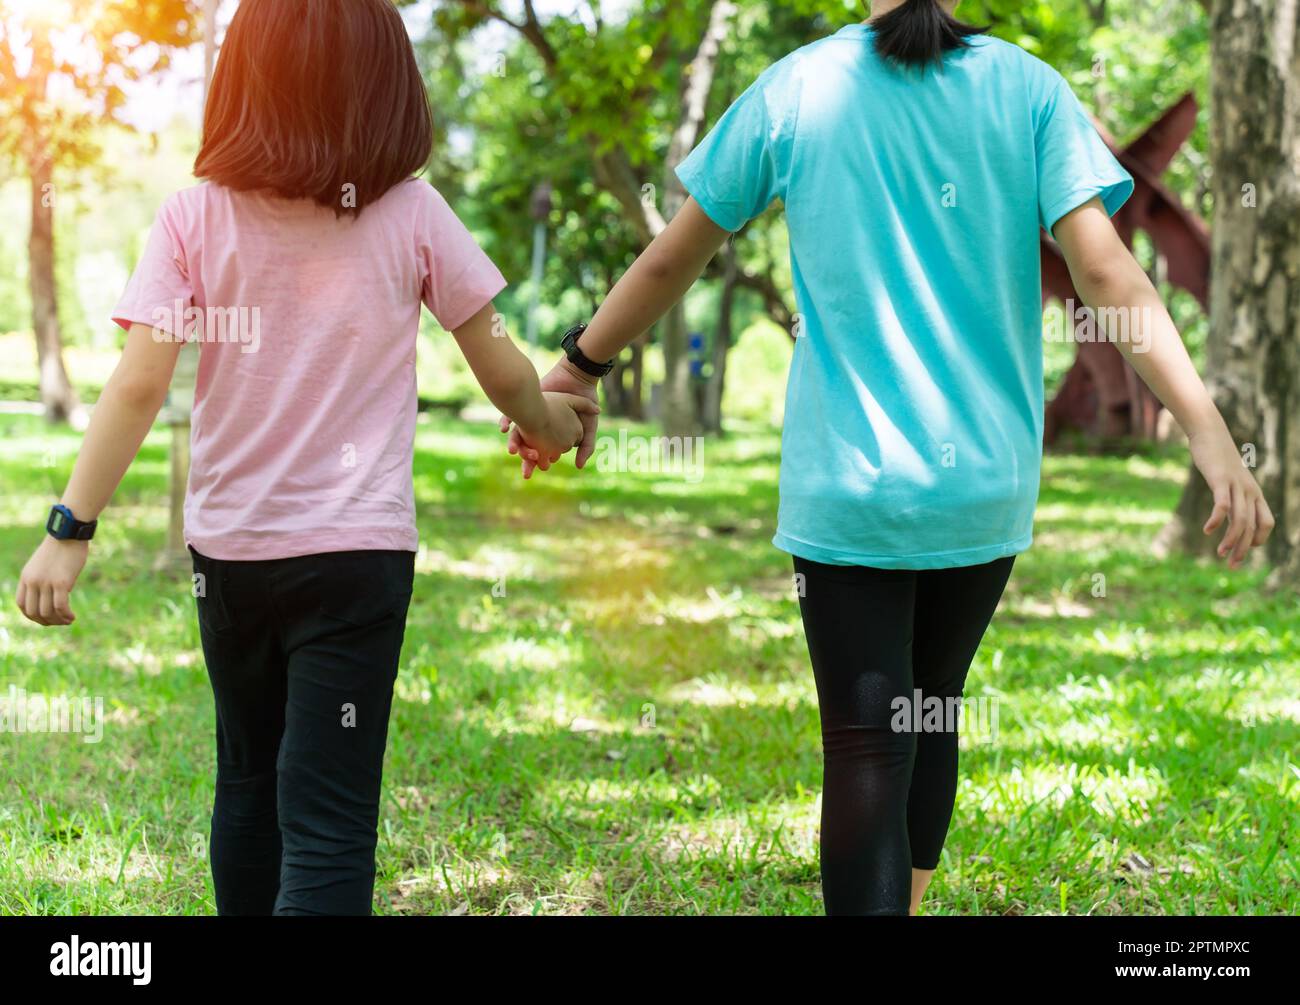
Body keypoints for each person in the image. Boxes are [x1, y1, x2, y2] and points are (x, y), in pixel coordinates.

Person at [504, 0, 1275, 915]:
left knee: (869, 744)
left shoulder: (795, 90)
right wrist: (1206, 426)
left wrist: (576, 366)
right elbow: (1110, 273)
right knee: (933, 706)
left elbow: (675, 259)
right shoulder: (1028, 90)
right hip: (983, 490)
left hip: (852, 488)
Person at [15, 0, 593, 915]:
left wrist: (69, 528)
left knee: (247, 779)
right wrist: (557, 423)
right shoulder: (413, 212)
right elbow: (506, 376)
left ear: (245, 81)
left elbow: (134, 388)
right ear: (384, 85)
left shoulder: (193, 218)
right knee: (328, 816)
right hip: (357, 560)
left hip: (231, 560)